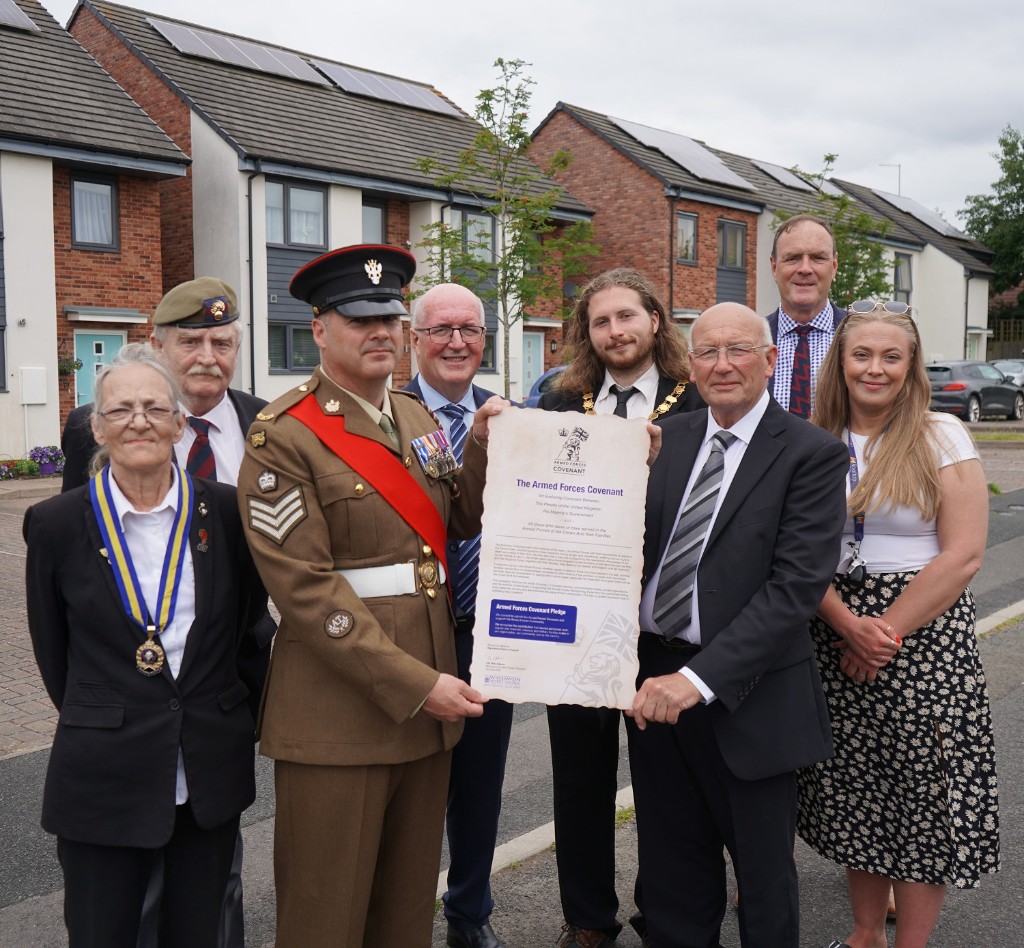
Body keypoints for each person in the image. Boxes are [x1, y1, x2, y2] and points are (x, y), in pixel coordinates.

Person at [237, 244, 495, 947]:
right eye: (360, 317)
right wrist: (419, 685)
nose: (381, 330)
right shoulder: (282, 436)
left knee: (404, 917)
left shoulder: (414, 420)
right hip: (341, 715)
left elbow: (456, 522)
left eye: (390, 315)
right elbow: (306, 592)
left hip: (425, 708)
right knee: (326, 919)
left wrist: (486, 448)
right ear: (320, 329)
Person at [24, 345, 267, 948]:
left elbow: (244, 630)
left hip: (207, 776)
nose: (140, 420)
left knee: (197, 934)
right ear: (98, 427)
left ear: (181, 423)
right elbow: (55, 656)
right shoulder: (55, 524)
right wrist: (112, 712)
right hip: (103, 777)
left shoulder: (228, 512)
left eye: (156, 407)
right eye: (122, 409)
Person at [626, 302, 848, 947]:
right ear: (688, 364)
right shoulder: (670, 438)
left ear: (771, 360)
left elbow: (795, 590)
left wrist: (697, 680)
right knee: (671, 866)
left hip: (743, 696)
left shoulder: (811, 454)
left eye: (739, 350)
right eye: (706, 352)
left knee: (762, 878)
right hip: (652, 686)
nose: (721, 365)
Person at [797, 301, 1000, 948]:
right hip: (832, 623)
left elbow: (963, 553)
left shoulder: (940, 434)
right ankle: (864, 933)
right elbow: (794, 552)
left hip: (922, 632)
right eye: (862, 355)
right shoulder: (816, 437)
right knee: (856, 787)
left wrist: (881, 630)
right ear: (842, 362)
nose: (874, 369)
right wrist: (845, 623)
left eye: (891, 356)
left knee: (921, 800)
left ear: (911, 366)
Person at [537, 267, 703, 948]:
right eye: (601, 322)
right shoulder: (558, 403)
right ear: (588, 332)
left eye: (626, 318)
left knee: (666, 787)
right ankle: (588, 920)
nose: (616, 332)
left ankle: (665, 917)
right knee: (580, 781)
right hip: (579, 627)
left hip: (663, 629)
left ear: (655, 320)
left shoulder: (695, 402)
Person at [404, 283, 513, 948]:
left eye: (469, 329)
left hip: (489, 637)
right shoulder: (389, 416)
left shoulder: (514, 420)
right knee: (412, 792)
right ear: (415, 339)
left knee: (479, 792)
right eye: (441, 329)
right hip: (412, 637)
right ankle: (401, 918)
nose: (456, 342)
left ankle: (469, 916)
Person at [61, 277, 267, 492]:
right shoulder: (98, 426)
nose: (207, 358)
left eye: (221, 344)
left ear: (237, 349)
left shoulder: (266, 420)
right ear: (157, 346)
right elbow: (76, 518)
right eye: (190, 342)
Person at [766, 215, 848, 417]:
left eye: (818, 258)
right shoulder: (751, 341)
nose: (804, 269)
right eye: (792, 258)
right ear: (774, 268)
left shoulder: (859, 335)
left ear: (834, 267)